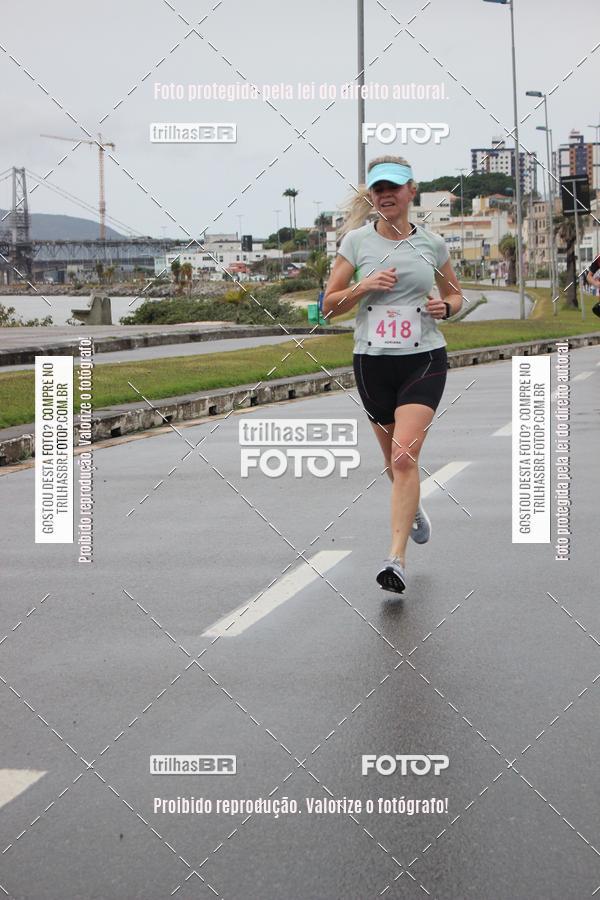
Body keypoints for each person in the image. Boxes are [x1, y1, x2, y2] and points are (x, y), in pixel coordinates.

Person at [322, 155, 463, 594]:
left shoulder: (433, 245)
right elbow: (329, 306)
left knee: (403, 457)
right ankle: (413, 507)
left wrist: (448, 309)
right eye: (378, 189)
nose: (386, 195)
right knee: (393, 462)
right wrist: (364, 286)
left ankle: (395, 560)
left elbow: (456, 296)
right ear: (372, 195)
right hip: (372, 360)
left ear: (411, 192)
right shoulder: (356, 243)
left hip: (423, 357)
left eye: (394, 188)